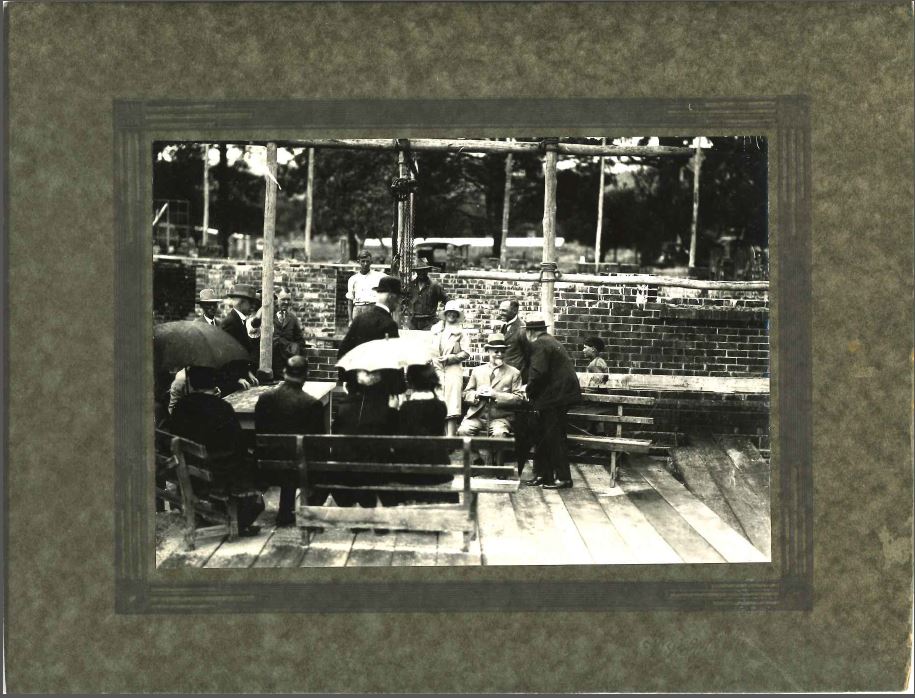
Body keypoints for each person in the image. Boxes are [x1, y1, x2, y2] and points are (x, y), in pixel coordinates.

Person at [165, 365, 264, 535]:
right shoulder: (222, 407)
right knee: (250, 466)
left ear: (193, 384)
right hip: (216, 475)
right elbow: (238, 444)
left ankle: (216, 512)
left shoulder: (181, 407)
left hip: (188, 469)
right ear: (213, 384)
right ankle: (237, 520)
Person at [254, 356, 326, 526]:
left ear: (284, 372)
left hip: (266, 464)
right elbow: (317, 443)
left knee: (287, 453)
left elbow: (259, 430)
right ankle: (304, 510)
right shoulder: (312, 404)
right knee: (304, 455)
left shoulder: (265, 399)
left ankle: (284, 509)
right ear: (306, 375)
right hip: (299, 467)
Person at [519, 312, 582, 490]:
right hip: (556, 397)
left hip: (556, 398)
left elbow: (538, 373)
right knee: (542, 436)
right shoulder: (549, 341)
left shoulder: (539, 344)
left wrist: (527, 389)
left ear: (530, 332)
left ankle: (563, 478)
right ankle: (543, 475)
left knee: (554, 438)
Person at [458, 333, 525, 438]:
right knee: (463, 431)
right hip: (477, 416)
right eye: (496, 351)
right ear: (488, 351)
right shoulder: (478, 371)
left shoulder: (514, 372)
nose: (500, 355)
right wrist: (476, 394)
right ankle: (475, 455)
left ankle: (496, 455)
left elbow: (519, 398)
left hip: (501, 418)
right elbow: (466, 394)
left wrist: (495, 395)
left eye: (503, 352)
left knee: (499, 434)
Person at [430, 299, 471, 436]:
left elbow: (466, 353)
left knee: (452, 405)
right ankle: (439, 437)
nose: (452, 315)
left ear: (457, 315)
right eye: (449, 312)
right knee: (439, 403)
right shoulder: (436, 330)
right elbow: (429, 349)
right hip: (437, 370)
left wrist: (451, 357)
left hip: (453, 370)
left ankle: (451, 439)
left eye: (455, 313)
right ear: (445, 313)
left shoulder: (462, 333)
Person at [337, 275, 401, 360]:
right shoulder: (389, 325)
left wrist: (355, 373)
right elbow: (391, 363)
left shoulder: (359, 319)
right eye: (399, 298)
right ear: (391, 297)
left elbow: (343, 352)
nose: (399, 302)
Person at [220, 283, 260, 361]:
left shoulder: (240, 320)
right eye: (251, 302)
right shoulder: (230, 322)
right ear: (241, 302)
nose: (253, 306)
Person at [406, 263, 449, 330]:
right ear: (416, 271)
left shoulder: (435, 286)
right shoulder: (411, 285)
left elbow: (447, 300)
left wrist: (445, 316)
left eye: (424, 270)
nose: (422, 273)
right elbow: (404, 300)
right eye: (419, 270)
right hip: (413, 322)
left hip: (429, 322)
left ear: (428, 270)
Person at [346, 250, 385, 321]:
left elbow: (392, 278)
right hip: (357, 309)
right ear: (358, 262)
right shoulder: (353, 279)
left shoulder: (379, 276)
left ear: (371, 262)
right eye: (363, 261)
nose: (365, 264)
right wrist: (350, 320)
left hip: (372, 308)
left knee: (372, 331)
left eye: (367, 261)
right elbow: (350, 300)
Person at [497, 299, 530, 381]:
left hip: (516, 375)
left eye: (504, 311)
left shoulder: (522, 328)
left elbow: (528, 355)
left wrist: (520, 375)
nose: (500, 313)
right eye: (500, 310)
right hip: (504, 373)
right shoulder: (504, 327)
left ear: (515, 311)